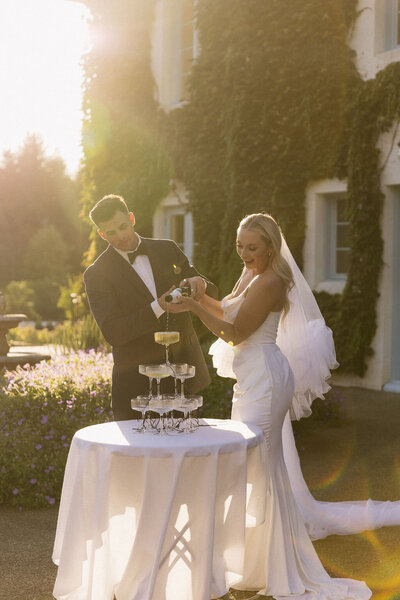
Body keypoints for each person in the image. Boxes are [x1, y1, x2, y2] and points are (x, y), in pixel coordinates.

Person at [166, 212, 377, 599]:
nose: (244, 254)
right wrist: (197, 297)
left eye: (252, 248)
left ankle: (271, 567)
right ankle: (251, 562)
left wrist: (193, 310)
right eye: (240, 246)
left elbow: (235, 333)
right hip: (251, 380)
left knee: (257, 469)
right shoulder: (250, 273)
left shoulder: (273, 280)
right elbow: (228, 310)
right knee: (252, 468)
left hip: (266, 378)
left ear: (270, 246)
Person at [84, 194, 217, 420]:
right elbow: (114, 332)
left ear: (132, 218)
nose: (121, 236)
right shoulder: (97, 274)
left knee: (185, 453)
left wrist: (199, 283)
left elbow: (211, 293)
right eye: (111, 233)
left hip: (182, 379)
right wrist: (159, 306)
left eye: (123, 226)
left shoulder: (168, 249)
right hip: (136, 388)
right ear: (101, 234)